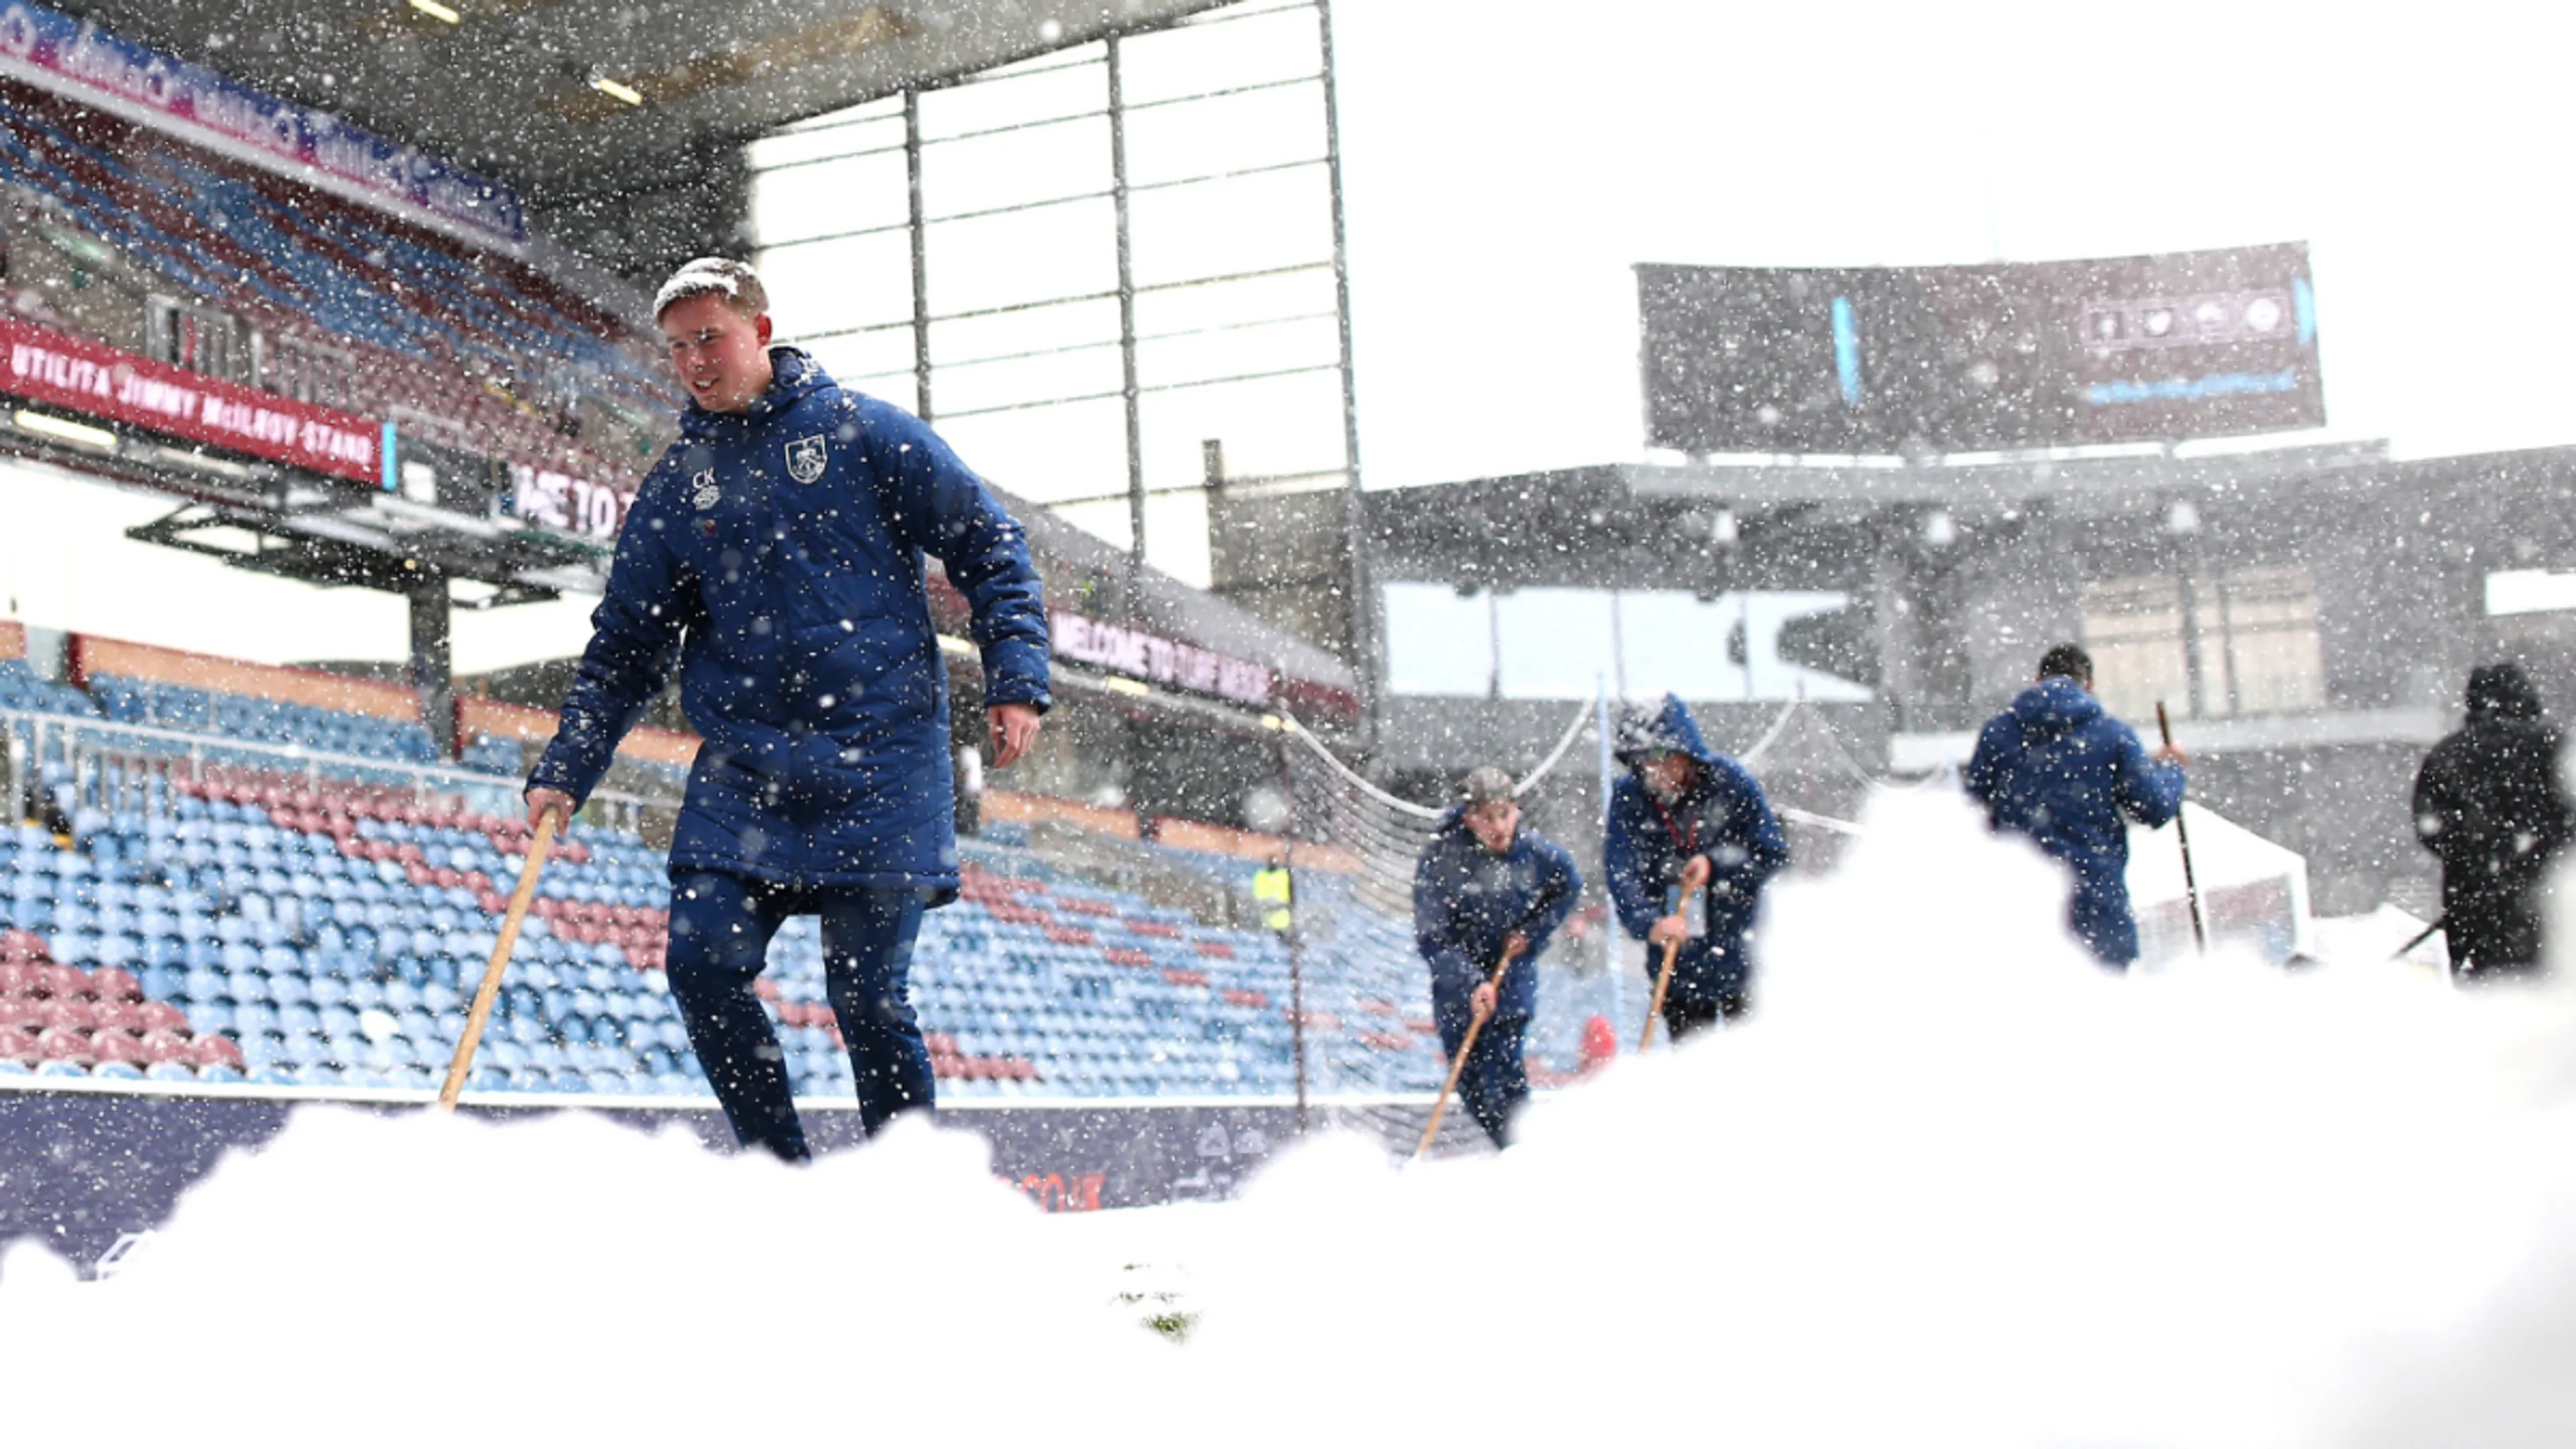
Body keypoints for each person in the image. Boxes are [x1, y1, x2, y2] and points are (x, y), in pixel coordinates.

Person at [524, 258, 1050, 1161]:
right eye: (679, 346)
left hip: (882, 761)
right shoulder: (675, 487)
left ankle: (909, 1194)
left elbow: (989, 543)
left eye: (711, 338)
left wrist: (1015, 673)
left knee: (869, 999)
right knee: (699, 965)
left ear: (760, 332)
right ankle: (780, 1176)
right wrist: (566, 768)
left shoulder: (865, 433)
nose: (695, 360)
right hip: (747, 772)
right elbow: (623, 648)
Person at [1963, 643, 2184, 967]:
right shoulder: (2113, 736)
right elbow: (2155, 808)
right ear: (2090, 684)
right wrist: (2171, 770)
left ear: (2038, 679)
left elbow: (1971, 809)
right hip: (2096, 905)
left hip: (2018, 907)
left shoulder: (1998, 734)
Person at [1413, 766, 1580, 1146]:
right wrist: (1472, 982)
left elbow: (1568, 885)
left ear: (1517, 811)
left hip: (1511, 974)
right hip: (1457, 987)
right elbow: (1432, 938)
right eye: (1487, 817)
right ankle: (1509, 1145)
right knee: (1470, 1081)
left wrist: (1532, 932)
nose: (1499, 826)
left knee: (1504, 1070)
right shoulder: (1441, 860)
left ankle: (1523, 1152)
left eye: (1504, 814)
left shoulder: (1536, 854)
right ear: (1470, 817)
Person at [1605, 695, 1788, 1039]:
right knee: (1692, 1069)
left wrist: (1717, 865)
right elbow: (1621, 870)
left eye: (1660, 756)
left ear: (1684, 752)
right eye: (1640, 760)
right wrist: (1650, 922)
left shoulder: (1732, 783)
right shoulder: (1630, 797)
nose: (1652, 770)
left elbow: (1771, 853)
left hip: (1738, 956)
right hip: (1678, 964)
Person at [2412, 662, 2573, 980]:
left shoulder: (2448, 754)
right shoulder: (2554, 746)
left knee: (2489, 999)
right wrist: (2536, 848)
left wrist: (2479, 853)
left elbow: (2430, 827)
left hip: (2472, 903)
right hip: (2551, 897)